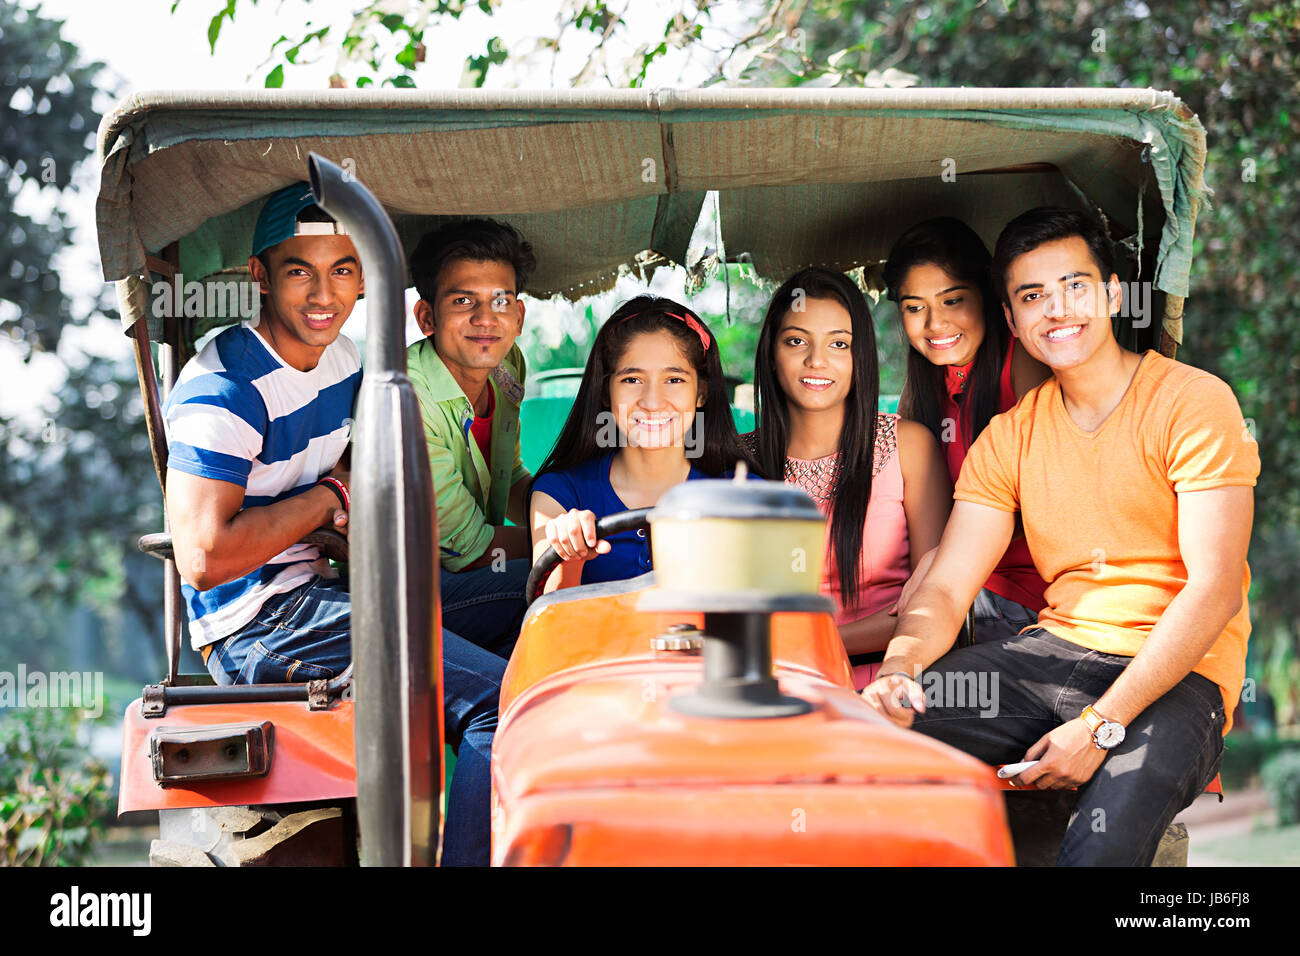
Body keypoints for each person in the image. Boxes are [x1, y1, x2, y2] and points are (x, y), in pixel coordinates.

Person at [861, 207, 1259, 866]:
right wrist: (901, 670)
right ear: (1013, 321)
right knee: (864, 738)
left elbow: (1214, 588)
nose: (1056, 309)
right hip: (1048, 656)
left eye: (1075, 286)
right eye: (1031, 296)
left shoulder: (1193, 402)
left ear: (1111, 293)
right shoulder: (1009, 438)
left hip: (1175, 677)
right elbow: (950, 585)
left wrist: (1100, 725)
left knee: (1098, 847)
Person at [163, 183, 500, 865]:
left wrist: (342, 504)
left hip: (335, 592)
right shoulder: (221, 389)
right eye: (300, 271)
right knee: (502, 704)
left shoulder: (345, 362)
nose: (325, 294)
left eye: (344, 270)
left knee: (529, 596)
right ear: (259, 275)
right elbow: (202, 557)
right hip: (258, 625)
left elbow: (360, 458)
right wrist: (327, 499)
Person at [747, 267, 951, 689]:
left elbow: (935, 600)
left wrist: (807, 646)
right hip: (769, 688)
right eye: (796, 341)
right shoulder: (735, 463)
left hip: (888, 684)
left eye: (839, 343)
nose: (816, 360)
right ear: (771, 352)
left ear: (860, 357)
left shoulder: (908, 446)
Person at [883, 217, 1051, 642]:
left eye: (953, 301)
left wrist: (944, 557)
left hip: (1024, 594)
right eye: (914, 307)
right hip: (954, 586)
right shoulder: (923, 389)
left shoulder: (1024, 363)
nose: (935, 324)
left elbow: (1039, 495)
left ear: (989, 296)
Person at [530, 295, 760, 592]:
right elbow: (548, 627)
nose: (652, 402)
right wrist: (569, 558)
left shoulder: (744, 496)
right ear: (605, 391)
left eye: (674, 380)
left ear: (701, 393)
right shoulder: (559, 496)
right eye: (632, 380)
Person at [407, 218, 536, 659]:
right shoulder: (404, 399)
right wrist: (573, 538)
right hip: (410, 596)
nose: (485, 319)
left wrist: (575, 506)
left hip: (473, 579)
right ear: (427, 317)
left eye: (500, 301)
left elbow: (509, 473)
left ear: (518, 317)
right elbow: (473, 550)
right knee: (563, 578)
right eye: (464, 301)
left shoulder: (509, 366)